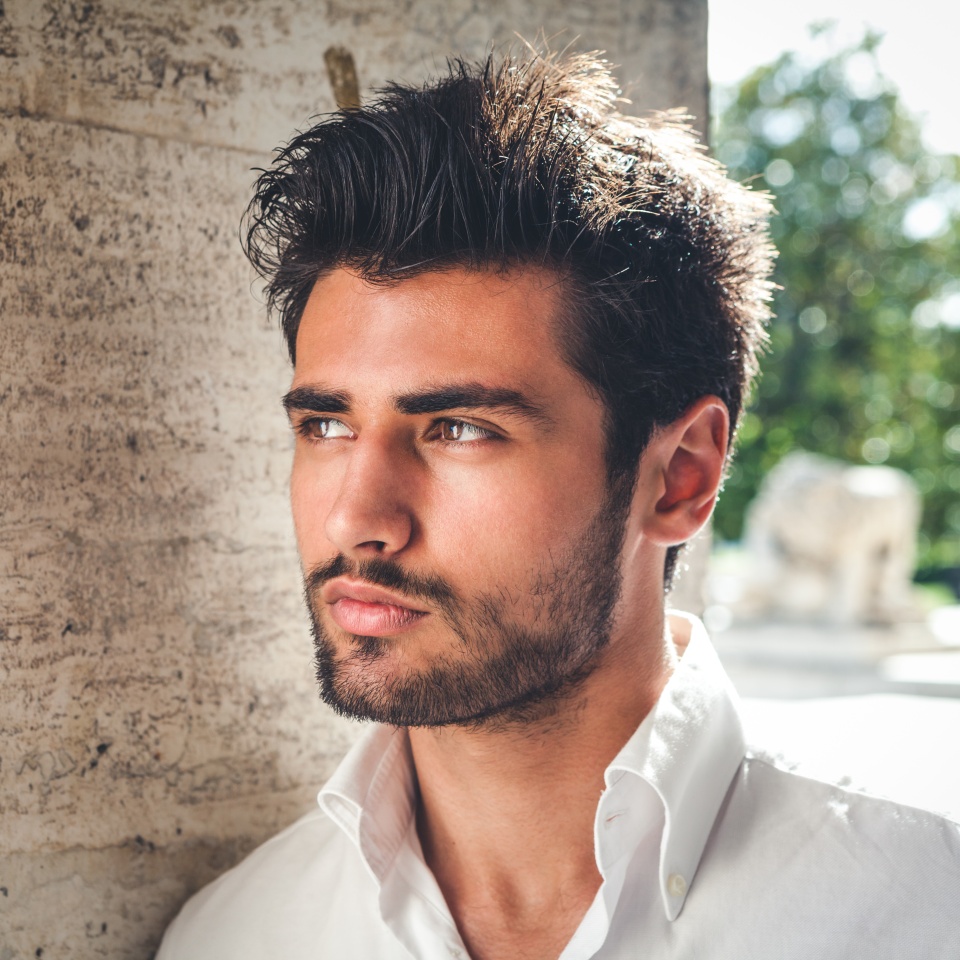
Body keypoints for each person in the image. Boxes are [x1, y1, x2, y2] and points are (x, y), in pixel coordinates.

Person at [157, 50, 959, 959]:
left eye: (457, 428)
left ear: (680, 476)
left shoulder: (923, 910)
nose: (356, 519)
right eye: (326, 427)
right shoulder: (235, 937)